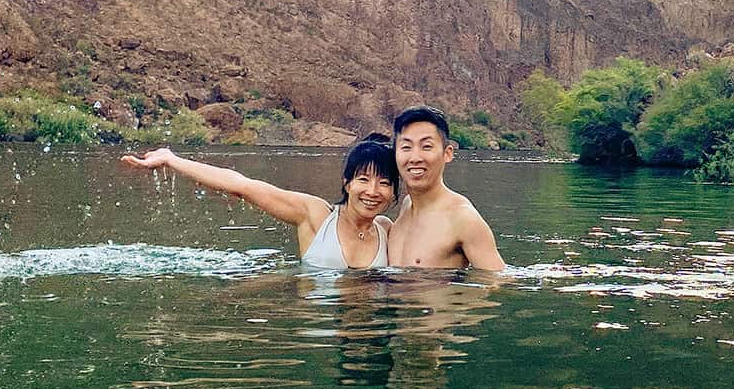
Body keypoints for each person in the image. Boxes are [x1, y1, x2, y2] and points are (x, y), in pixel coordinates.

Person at [121, 133, 398, 270]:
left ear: (394, 192)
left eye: (384, 182)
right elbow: (243, 186)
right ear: (347, 183)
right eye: (363, 179)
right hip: (317, 325)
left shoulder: (387, 231)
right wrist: (172, 160)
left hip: (371, 328)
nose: (373, 191)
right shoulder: (316, 215)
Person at [388, 106, 506, 271]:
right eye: (406, 147)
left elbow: (497, 281)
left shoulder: (463, 218)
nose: (415, 158)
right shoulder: (407, 207)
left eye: (427, 146)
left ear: (447, 153)